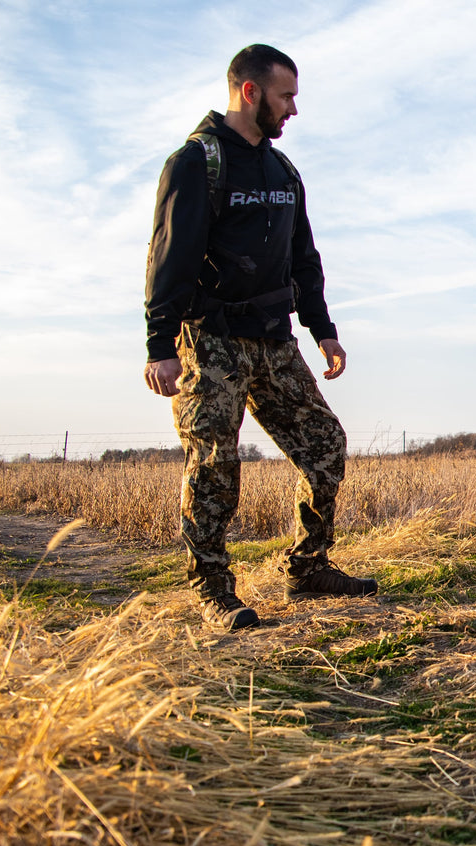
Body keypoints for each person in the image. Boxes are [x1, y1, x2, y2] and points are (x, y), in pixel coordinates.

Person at [143, 43, 375, 631]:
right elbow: (168, 256)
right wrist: (160, 344)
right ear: (251, 92)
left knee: (324, 443)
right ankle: (213, 588)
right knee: (214, 464)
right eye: (286, 96)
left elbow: (304, 258)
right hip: (211, 339)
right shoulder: (197, 162)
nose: (293, 109)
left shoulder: (283, 171)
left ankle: (307, 567)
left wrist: (322, 330)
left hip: (273, 340)